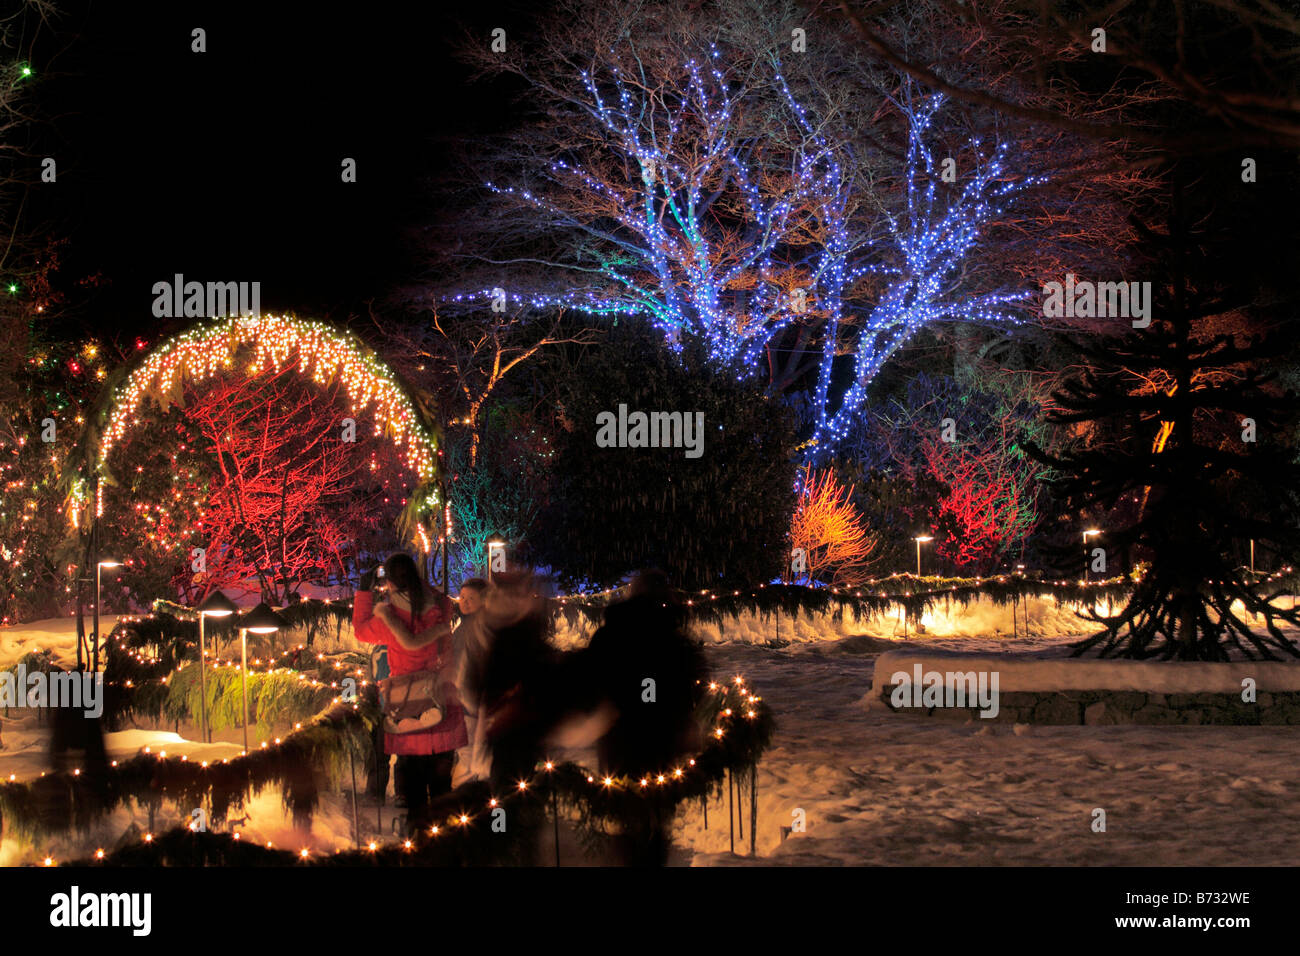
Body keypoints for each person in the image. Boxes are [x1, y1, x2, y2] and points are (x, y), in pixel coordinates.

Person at [353, 553, 466, 835]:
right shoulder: (439, 608)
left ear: (389, 584)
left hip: (408, 706)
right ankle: (446, 845)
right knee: (442, 787)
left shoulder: (389, 618)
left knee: (414, 788)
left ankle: (420, 845)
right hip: (441, 700)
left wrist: (363, 592)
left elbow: (360, 631)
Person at [448, 578, 492, 787]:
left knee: (471, 757)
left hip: (473, 703)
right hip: (464, 702)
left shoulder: (481, 628)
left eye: (471, 599)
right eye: (462, 597)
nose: (464, 602)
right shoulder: (464, 627)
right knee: (469, 754)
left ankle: (470, 803)